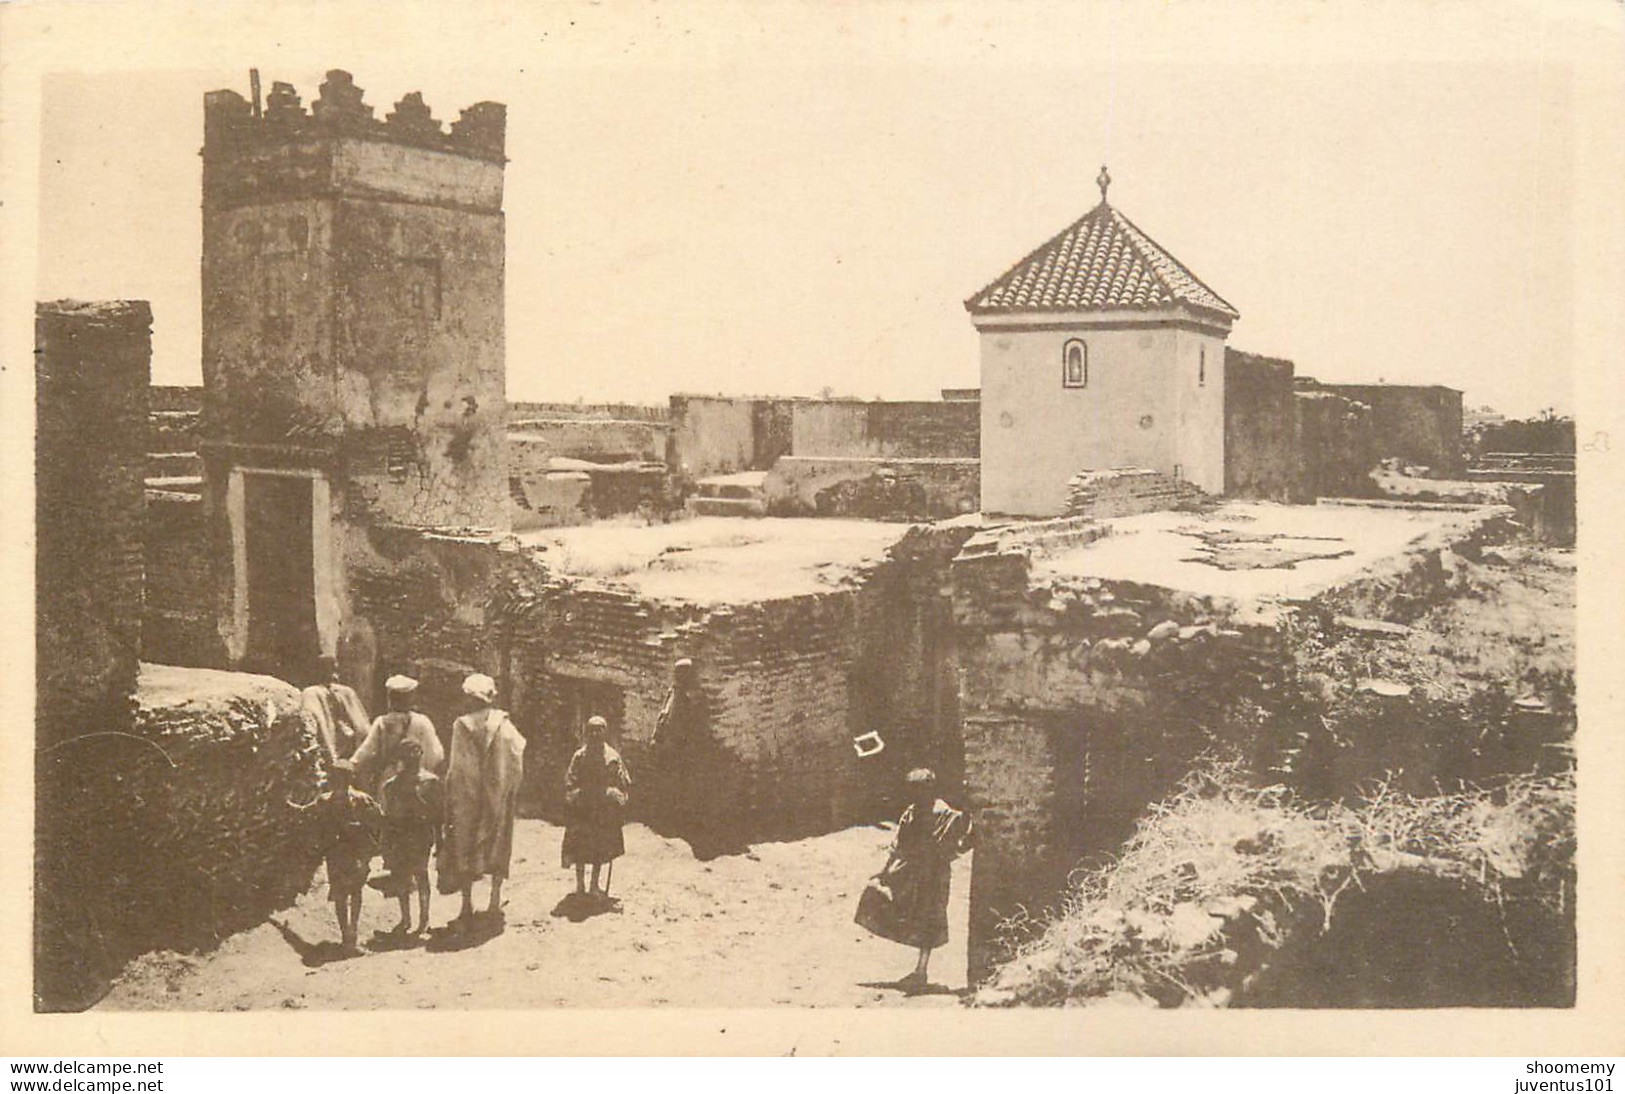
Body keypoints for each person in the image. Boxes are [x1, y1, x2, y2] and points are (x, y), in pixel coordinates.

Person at [855, 768, 973, 991]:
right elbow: (899, 845)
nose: (916, 795)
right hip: (913, 871)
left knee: (930, 917)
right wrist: (884, 872)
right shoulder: (914, 812)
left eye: (919, 790)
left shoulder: (947, 814)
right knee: (896, 903)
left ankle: (921, 970)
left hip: (932, 874)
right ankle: (920, 970)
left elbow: (957, 843)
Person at [439, 673, 526, 932]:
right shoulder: (504, 724)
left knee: (465, 846)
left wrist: (454, 796)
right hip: (498, 797)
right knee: (498, 845)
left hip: (468, 799)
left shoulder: (462, 726)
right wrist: (506, 790)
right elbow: (516, 760)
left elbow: (459, 767)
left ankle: (466, 905)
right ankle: (494, 901)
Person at [314, 758, 383, 954]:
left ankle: (351, 934)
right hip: (337, 852)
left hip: (355, 851)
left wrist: (363, 834)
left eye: (343, 777)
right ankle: (348, 936)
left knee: (353, 891)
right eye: (337, 777)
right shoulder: (325, 800)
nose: (340, 781)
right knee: (342, 894)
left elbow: (376, 821)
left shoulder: (360, 799)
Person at [377, 736, 443, 936]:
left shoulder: (430, 782)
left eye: (415, 754)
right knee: (400, 876)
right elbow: (388, 815)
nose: (412, 759)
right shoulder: (391, 785)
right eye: (407, 755)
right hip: (399, 834)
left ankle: (424, 919)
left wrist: (440, 840)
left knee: (420, 874)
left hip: (421, 834)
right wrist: (385, 841)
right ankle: (405, 919)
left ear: (421, 756)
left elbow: (438, 815)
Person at [562, 715, 631, 899]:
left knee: (599, 849)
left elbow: (623, 782)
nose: (595, 733)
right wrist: (574, 796)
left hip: (602, 812)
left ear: (605, 732)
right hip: (582, 810)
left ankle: (594, 885)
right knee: (578, 848)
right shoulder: (579, 756)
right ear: (586, 733)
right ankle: (580, 886)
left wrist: (616, 795)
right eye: (591, 729)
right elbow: (570, 780)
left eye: (599, 729)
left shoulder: (612, 757)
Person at [351, 674, 444, 798]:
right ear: (410, 698)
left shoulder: (382, 722)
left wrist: (350, 766)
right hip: (417, 779)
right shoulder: (423, 721)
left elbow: (365, 753)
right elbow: (436, 755)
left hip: (389, 780)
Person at [301, 658, 372, 763]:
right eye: (328, 669)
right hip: (329, 745)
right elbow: (314, 720)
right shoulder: (311, 693)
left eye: (333, 669)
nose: (333, 674)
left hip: (349, 746)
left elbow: (361, 723)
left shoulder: (345, 692)